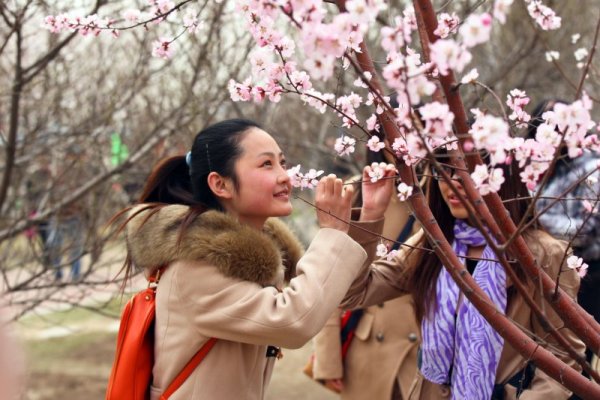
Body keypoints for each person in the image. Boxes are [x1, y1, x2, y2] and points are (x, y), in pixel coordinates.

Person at [115, 119, 394, 399]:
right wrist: (332, 233)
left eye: (282, 163)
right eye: (266, 165)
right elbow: (294, 321)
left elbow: (335, 292)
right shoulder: (195, 267)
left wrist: (368, 215)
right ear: (220, 184)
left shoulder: (242, 261)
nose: (285, 176)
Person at [339, 149, 585, 399]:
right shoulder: (434, 243)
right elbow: (353, 294)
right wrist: (370, 216)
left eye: (466, 171)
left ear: (501, 177)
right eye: (443, 170)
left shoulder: (543, 254)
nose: (451, 182)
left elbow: (563, 355)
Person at [311, 161, 421, 399]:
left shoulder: (445, 193)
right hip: (368, 347)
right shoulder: (357, 190)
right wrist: (328, 357)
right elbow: (334, 278)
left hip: (424, 347)